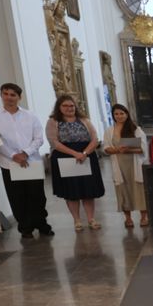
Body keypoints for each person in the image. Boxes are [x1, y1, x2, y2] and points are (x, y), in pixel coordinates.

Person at [0, 82, 51, 240]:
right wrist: (14, 155)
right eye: (6, 94)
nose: (9, 97)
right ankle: (25, 228)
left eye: (13, 95)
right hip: (9, 163)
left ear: (19, 97)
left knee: (37, 196)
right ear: (1, 95)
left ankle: (42, 224)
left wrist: (25, 153)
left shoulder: (30, 115)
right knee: (17, 196)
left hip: (32, 161)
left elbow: (38, 138)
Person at [46, 94, 104, 231]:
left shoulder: (84, 119)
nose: (69, 108)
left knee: (88, 190)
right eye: (65, 106)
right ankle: (77, 220)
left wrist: (84, 153)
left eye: (71, 105)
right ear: (59, 107)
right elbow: (54, 142)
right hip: (65, 157)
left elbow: (95, 138)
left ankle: (91, 219)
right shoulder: (53, 121)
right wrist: (74, 154)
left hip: (86, 156)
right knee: (71, 191)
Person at [102, 103, 148, 229]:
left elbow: (143, 148)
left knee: (138, 190)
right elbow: (106, 148)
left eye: (122, 113)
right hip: (119, 164)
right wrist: (117, 150)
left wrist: (128, 150)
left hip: (134, 163)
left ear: (127, 114)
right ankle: (128, 218)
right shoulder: (109, 131)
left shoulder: (136, 129)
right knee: (123, 190)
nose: (119, 116)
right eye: (116, 114)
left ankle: (144, 216)